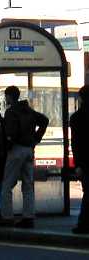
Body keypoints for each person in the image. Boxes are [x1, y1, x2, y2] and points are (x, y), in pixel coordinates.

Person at [0, 86, 49, 228]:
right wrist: (35, 139)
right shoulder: (28, 111)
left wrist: (9, 144)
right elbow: (45, 120)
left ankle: (7, 217)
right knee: (27, 184)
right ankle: (28, 216)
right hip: (29, 150)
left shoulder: (11, 112)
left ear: (9, 97)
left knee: (7, 184)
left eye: (6, 96)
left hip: (16, 149)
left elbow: (11, 133)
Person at [71, 85, 89, 234]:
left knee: (87, 192)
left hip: (85, 161)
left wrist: (78, 164)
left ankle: (83, 224)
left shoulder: (76, 118)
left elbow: (75, 143)